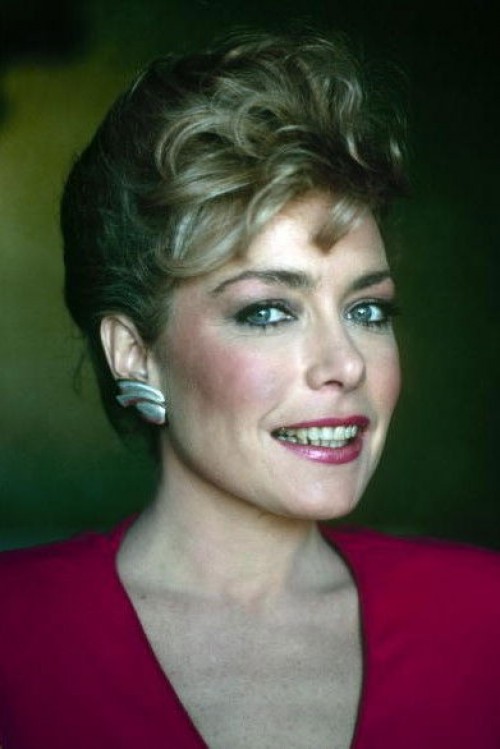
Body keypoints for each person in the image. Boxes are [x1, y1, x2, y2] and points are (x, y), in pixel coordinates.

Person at [1, 30, 500, 749]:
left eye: (367, 310)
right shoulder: (17, 636)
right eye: (267, 311)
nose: (346, 363)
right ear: (135, 355)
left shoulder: (481, 618)